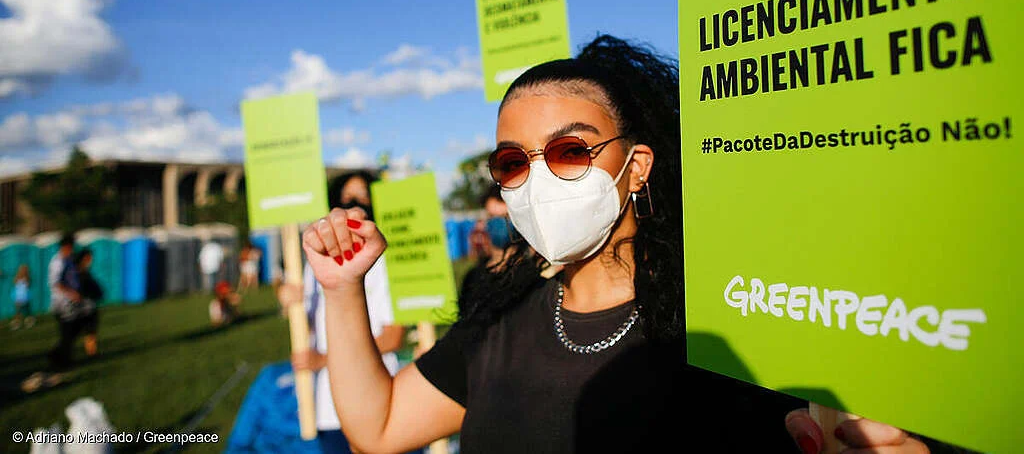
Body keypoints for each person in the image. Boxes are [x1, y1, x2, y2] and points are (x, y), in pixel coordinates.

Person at [302, 35, 946, 454]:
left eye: (570, 150)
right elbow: (377, 426)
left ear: (636, 166)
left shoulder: (728, 332)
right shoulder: (500, 317)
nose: (540, 178)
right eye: (512, 162)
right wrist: (341, 288)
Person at [279, 172, 405, 454]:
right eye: (347, 196)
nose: (354, 205)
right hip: (325, 407)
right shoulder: (317, 259)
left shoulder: (387, 261)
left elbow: (394, 336)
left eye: (362, 196)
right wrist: (290, 301)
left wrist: (323, 360)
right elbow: (312, 323)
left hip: (376, 403)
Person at [47, 233, 83, 371]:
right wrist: (71, 293)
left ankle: (58, 355)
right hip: (62, 303)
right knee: (67, 332)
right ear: (66, 246)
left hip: (70, 302)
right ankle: (61, 360)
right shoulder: (58, 261)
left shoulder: (69, 260)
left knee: (73, 330)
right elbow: (56, 283)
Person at [74, 248, 103, 357]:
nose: (91, 259)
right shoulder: (79, 272)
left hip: (89, 305)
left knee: (90, 331)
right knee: (85, 331)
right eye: (89, 257)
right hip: (83, 306)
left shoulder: (85, 271)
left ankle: (92, 352)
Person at [10, 264, 35, 330]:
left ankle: (29, 320)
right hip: (18, 295)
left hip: (25, 295)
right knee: (18, 310)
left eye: (25, 270)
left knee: (27, 309)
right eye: (22, 270)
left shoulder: (27, 278)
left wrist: (25, 280)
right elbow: (15, 284)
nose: (23, 271)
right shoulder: (17, 277)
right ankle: (17, 322)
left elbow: (28, 285)